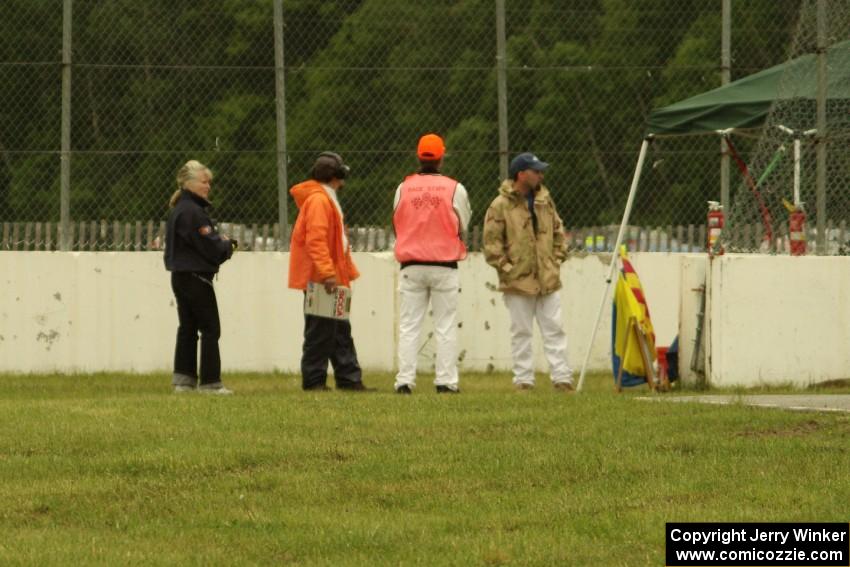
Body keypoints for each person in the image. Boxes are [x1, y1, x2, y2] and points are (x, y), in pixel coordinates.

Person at [483, 152, 574, 392]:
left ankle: (562, 378)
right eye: (536, 171)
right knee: (521, 332)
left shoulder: (545, 200)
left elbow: (558, 230)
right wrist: (509, 269)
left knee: (555, 328)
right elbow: (491, 244)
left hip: (548, 278)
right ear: (521, 174)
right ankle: (523, 380)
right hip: (518, 281)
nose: (541, 175)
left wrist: (556, 259)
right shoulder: (500, 205)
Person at [392, 133, 471, 394]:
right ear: (441, 157)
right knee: (445, 325)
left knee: (409, 325)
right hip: (444, 264)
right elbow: (464, 221)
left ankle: (404, 381)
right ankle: (446, 382)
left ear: (418, 155)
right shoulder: (454, 188)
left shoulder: (403, 187)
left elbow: (396, 220)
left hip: (411, 265)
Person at [288, 152, 373, 391]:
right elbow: (316, 240)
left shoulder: (324, 198)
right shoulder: (319, 201)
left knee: (339, 330)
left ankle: (349, 379)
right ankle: (314, 382)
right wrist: (327, 273)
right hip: (322, 279)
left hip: (330, 276)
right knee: (320, 332)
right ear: (336, 175)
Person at [164, 160, 236, 394]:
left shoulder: (179, 210)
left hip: (180, 276)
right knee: (210, 328)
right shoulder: (193, 213)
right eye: (204, 182)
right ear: (190, 183)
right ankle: (210, 383)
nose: (208, 187)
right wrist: (227, 245)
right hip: (196, 277)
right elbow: (209, 247)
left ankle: (183, 381)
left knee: (187, 328)